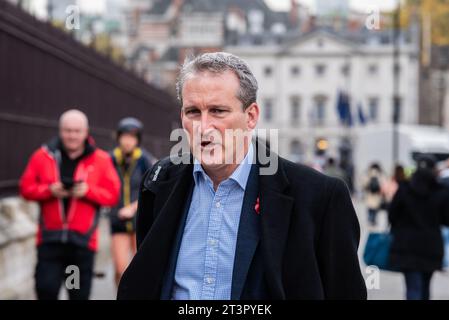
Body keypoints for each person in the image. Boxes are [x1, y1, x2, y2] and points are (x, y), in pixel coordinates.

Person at [117, 52, 366, 300]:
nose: (204, 126)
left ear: (251, 116)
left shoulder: (319, 196)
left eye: (217, 111)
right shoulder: (159, 183)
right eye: (193, 112)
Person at [20, 109, 121, 300]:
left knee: (77, 295)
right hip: (50, 242)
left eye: (77, 131)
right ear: (60, 130)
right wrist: (49, 191)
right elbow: (26, 188)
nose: (72, 135)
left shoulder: (101, 160)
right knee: (46, 291)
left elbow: (112, 196)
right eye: (67, 130)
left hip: (81, 244)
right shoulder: (42, 156)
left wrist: (87, 191)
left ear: (86, 132)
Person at [388, 155, 449, 300]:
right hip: (431, 246)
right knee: (425, 287)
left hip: (406, 245)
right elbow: (446, 220)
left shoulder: (404, 189)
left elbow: (392, 215)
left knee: (413, 287)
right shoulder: (441, 191)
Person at [109, 117, 155, 286]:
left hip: (140, 221)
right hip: (118, 221)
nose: (128, 141)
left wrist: (133, 207)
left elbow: (152, 189)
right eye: (125, 137)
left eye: (132, 137)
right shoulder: (110, 159)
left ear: (138, 140)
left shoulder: (146, 160)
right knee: (121, 269)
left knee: (140, 271)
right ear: (118, 138)